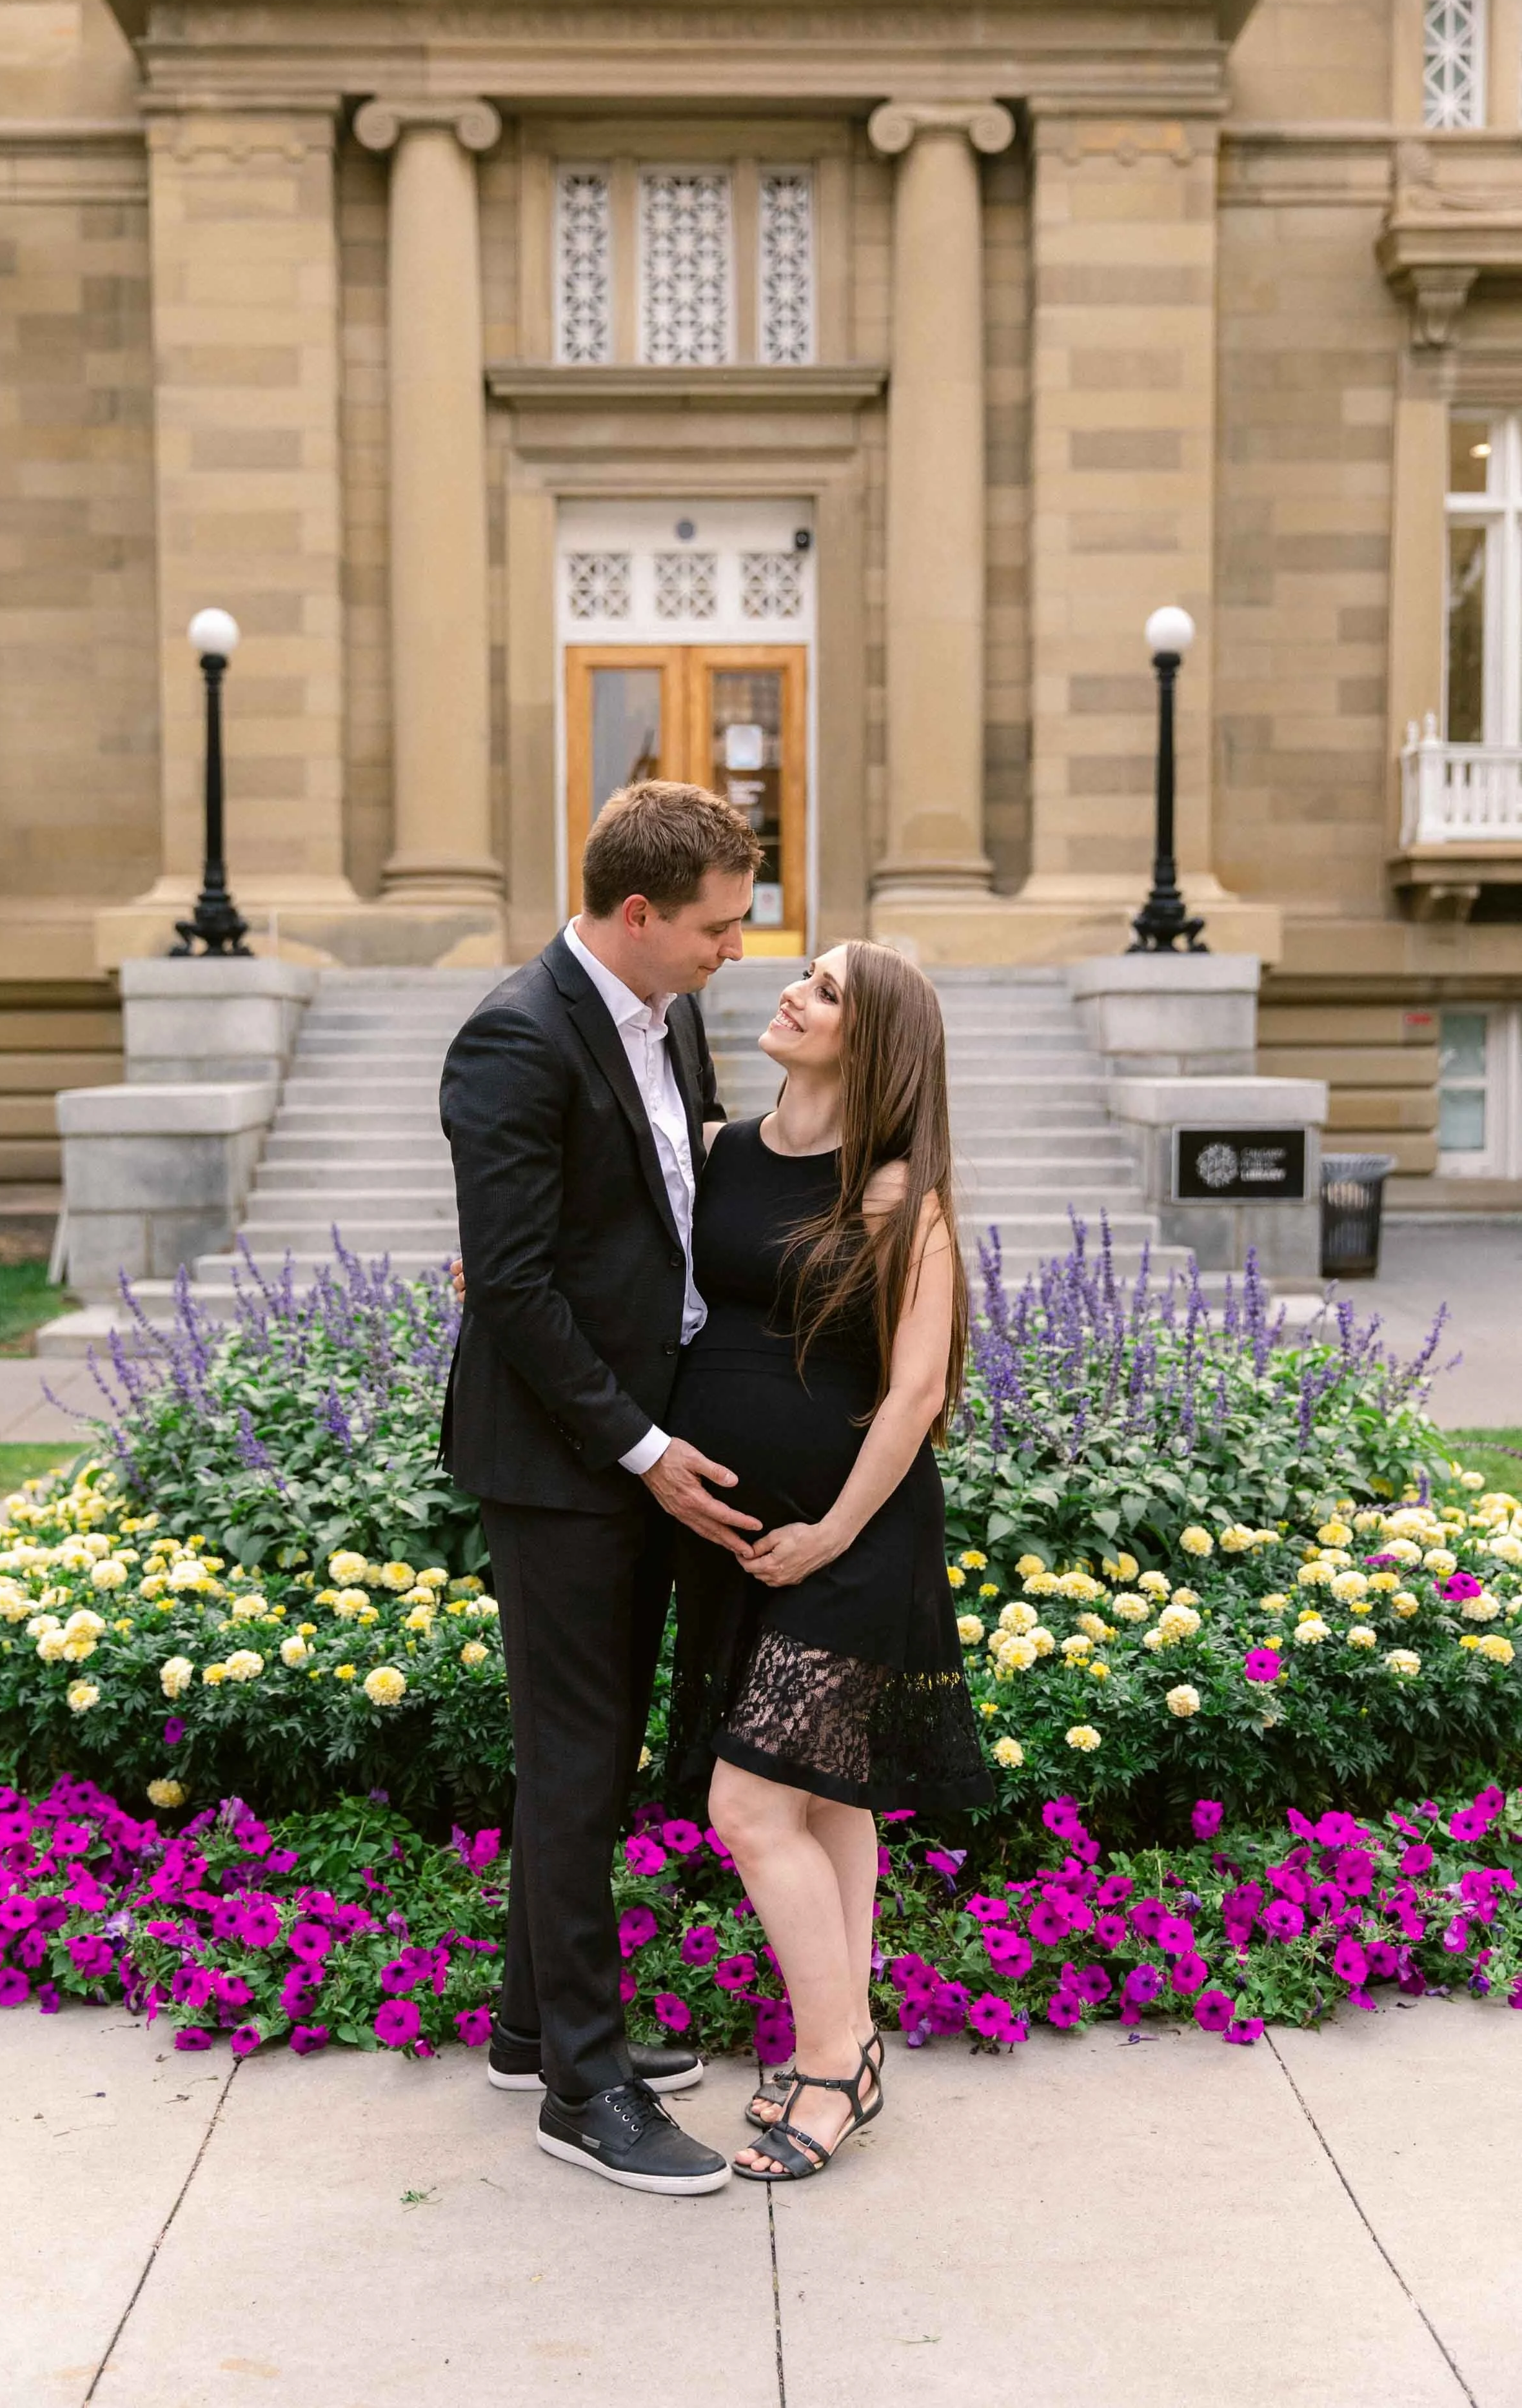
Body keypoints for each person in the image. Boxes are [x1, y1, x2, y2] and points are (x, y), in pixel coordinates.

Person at [439, 778, 764, 2197]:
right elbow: (509, 1290)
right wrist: (638, 1445)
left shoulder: (667, 1011)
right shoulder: (511, 1043)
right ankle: (582, 2081)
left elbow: (677, 1191)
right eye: (716, 928)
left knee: (598, 1755)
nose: (731, 953)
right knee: (574, 1767)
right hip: (565, 1465)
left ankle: (527, 2025)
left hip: (646, 1444)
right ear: (637, 915)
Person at [667, 939, 993, 2182]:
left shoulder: (903, 1193)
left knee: (748, 1806)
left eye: (827, 989)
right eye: (803, 974)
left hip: (853, 1533)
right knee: (825, 1791)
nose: (793, 993)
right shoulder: (721, 1154)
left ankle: (831, 2055)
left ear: (872, 1039)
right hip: (735, 1537)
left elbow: (914, 1394)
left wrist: (835, 1532)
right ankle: (851, 2046)